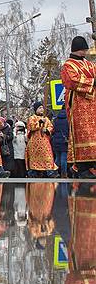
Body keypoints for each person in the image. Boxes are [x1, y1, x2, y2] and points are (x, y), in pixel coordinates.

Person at [61, 35, 96, 179]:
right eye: (83, 49)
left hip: (93, 103)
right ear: (77, 49)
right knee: (83, 133)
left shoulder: (90, 64)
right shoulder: (68, 65)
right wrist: (92, 82)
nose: (85, 52)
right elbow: (71, 81)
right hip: (78, 104)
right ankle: (82, 166)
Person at [26, 102, 58, 178]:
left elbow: (51, 127)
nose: (41, 109)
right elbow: (31, 127)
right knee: (34, 158)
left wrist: (46, 130)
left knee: (47, 157)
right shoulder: (32, 118)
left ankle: (49, 172)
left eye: (42, 108)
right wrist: (39, 122)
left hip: (44, 142)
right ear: (35, 109)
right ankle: (34, 172)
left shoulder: (46, 119)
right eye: (39, 108)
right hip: (34, 143)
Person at [52, 105, 69, 177]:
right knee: (63, 158)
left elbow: (53, 130)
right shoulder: (68, 119)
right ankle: (64, 174)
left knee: (57, 158)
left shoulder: (55, 119)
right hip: (64, 141)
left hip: (55, 141)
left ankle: (53, 172)